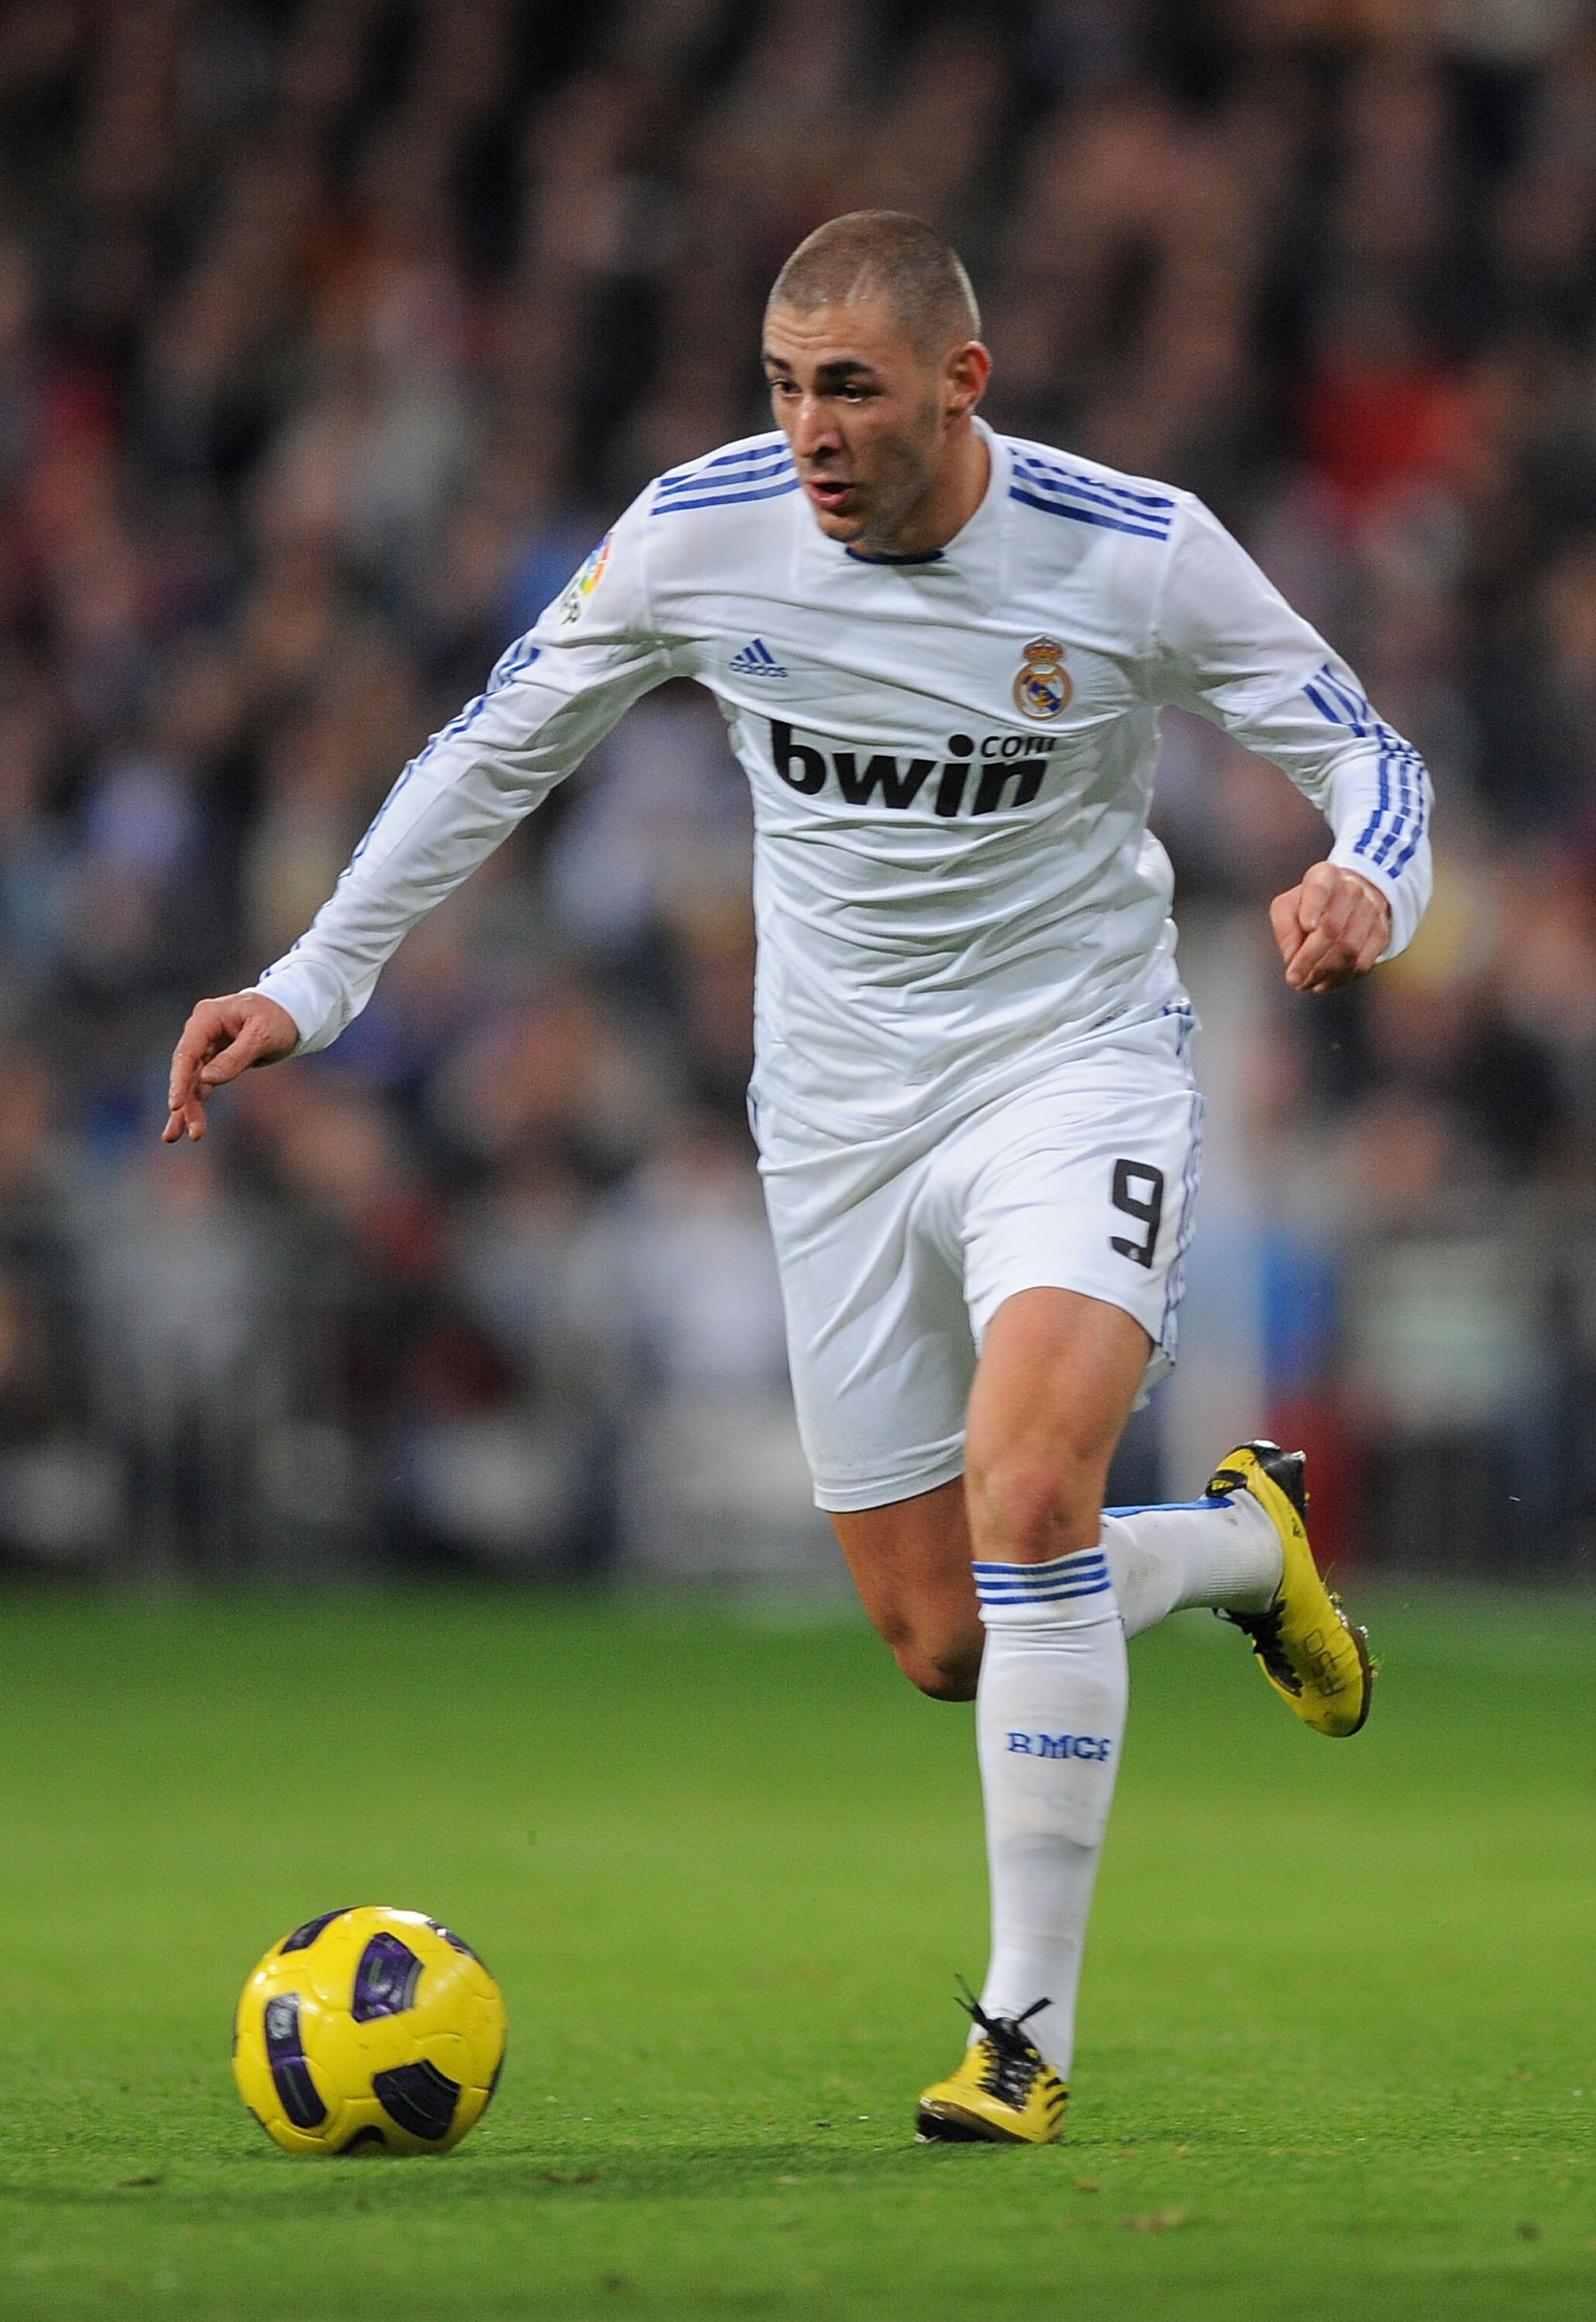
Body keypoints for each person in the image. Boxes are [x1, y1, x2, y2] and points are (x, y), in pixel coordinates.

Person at [166, 212, 1430, 2146]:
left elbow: (1370, 752)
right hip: (834, 1122)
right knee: (943, 1637)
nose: (811, 431)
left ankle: (1021, 2034)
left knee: (1030, 1491)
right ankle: (1246, 1553)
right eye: (783, 386)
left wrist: (1368, 879)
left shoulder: (1131, 549)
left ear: (959, 384)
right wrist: (309, 983)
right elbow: (495, 745)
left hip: (1069, 1075)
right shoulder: (701, 531)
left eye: (848, 388)